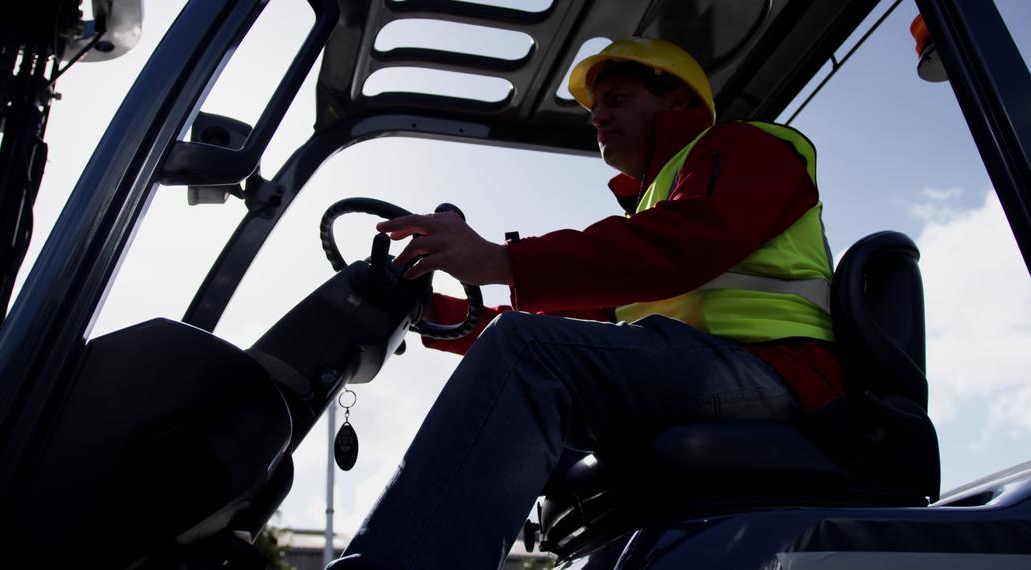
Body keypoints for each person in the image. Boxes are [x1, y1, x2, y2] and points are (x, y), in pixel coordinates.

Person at [328, 37, 843, 569]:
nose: (599, 118)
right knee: (529, 355)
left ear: (677, 101)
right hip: (699, 367)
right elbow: (575, 321)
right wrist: (431, 313)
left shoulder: (745, 148)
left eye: (617, 100)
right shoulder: (658, 202)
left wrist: (498, 260)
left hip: (776, 367)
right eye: (595, 109)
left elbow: (684, 245)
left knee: (528, 355)